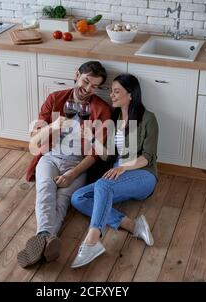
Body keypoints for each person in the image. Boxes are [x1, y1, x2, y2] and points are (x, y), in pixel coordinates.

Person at [17, 61, 112, 268]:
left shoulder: (101, 109)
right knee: (45, 190)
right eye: (86, 81)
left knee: (62, 199)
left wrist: (72, 174)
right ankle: (46, 238)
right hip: (50, 156)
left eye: (94, 86)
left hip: (78, 163)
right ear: (76, 74)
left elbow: (97, 154)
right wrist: (54, 125)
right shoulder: (56, 99)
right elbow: (34, 140)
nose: (88, 90)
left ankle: (42, 240)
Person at [70, 73, 159, 268]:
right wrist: (91, 138)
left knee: (104, 184)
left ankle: (91, 241)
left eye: (116, 91)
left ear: (131, 94)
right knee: (78, 198)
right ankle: (133, 225)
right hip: (116, 177)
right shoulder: (115, 118)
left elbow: (148, 157)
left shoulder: (148, 119)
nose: (111, 95)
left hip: (144, 176)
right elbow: (107, 156)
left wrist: (123, 168)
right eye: (111, 91)